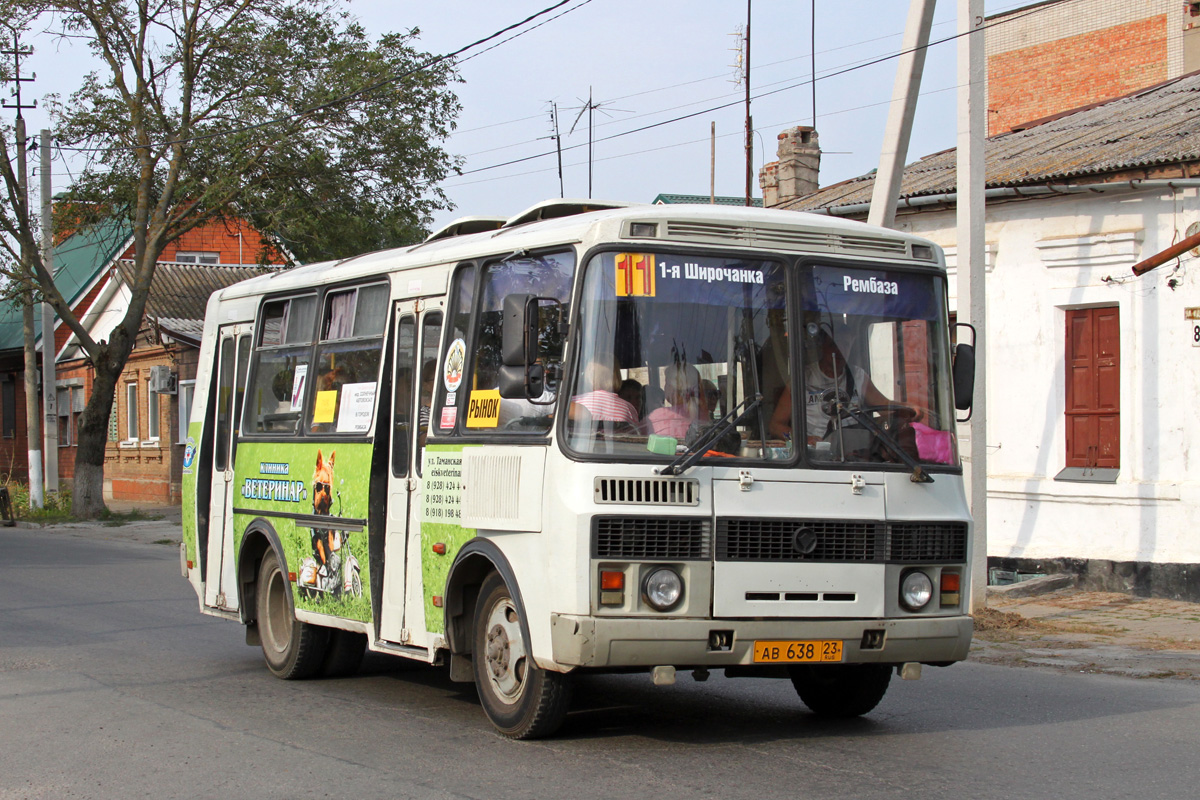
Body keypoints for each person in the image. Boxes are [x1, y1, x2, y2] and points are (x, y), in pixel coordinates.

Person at [768, 329, 891, 444]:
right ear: (822, 347)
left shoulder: (858, 376)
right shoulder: (802, 378)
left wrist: (909, 408)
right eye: (834, 345)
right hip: (815, 454)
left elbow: (887, 407)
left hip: (854, 452)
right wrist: (803, 441)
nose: (839, 350)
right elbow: (776, 426)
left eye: (845, 345)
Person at [570, 358, 639, 425]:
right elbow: (635, 433)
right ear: (617, 377)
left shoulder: (573, 403)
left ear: (588, 377)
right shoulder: (628, 408)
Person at [647, 363, 702, 439]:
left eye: (666, 382)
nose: (665, 387)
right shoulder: (702, 413)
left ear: (672, 388)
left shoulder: (658, 415)